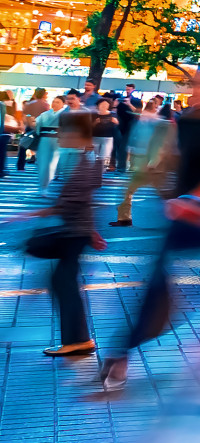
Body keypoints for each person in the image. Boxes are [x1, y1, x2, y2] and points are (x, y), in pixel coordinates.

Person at [98, 67, 200, 392]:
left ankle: (122, 355)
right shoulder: (186, 121)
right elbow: (177, 164)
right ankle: (123, 355)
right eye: (198, 85)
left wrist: (191, 201)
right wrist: (167, 191)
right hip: (184, 212)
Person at [15, 110, 105, 356]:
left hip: (73, 233)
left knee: (63, 282)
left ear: (75, 133)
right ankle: (79, 340)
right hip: (78, 231)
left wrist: (23, 216)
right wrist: (93, 230)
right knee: (63, 282)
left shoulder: (84, 162)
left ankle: (78, 341)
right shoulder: (90, 156)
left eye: (62, 130)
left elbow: (68, 204)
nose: (58, 135)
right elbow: (86, 201)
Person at [110, 97, 171, 228]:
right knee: (131, 190)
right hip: (140, 158)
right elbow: (134, 137)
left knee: (132, 189)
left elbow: (159, 143)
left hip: (148, 160)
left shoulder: (157, 122)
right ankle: (124, 218)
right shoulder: (141, 121)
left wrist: (153, 161)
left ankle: (125, 218)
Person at [18, 88, 46, 173]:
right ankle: (41, 165)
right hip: (41, 128)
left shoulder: (29, 104)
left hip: (30, 127)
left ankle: (20, 166)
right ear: (44, 95)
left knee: (23, 146)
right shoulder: (45, 105)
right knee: (41, 147)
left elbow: (25, 117)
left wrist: (26, 125)